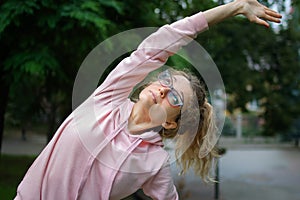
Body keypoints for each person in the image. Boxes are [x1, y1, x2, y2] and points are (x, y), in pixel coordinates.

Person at [15, 0, 281, 199]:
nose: (164, 90)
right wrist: (235, 7)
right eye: (166, 81)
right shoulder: (108, 98)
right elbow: (163, 41)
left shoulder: (155, 162)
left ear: (171, 124)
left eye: (175, 97)